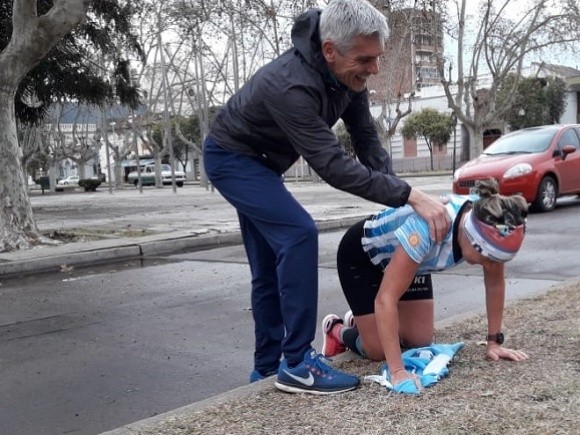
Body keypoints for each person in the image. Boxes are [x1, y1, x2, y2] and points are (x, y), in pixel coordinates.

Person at [202, 0, 449, 395]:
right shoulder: (288, 85)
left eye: (378, 58)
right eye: (366, 59)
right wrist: (412, 195)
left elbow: (366, 141)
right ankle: (297, 363)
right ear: (330, 50)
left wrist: (400, 204)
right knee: (299, 234)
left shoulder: (348, 76)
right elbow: (332, 165)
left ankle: (266, 369)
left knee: (267, 267)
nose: (375, 69)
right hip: (232, 159)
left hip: (264, 166)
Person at [322, 178, 530, 395]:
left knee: (419, 340)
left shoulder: (489, 215)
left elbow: (495, 283)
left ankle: (363, 321)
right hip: (362, 257)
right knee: (378, 350)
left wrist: (494, 342)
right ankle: (337, 330)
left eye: (498, 260)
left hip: (411, 261)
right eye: (487, 258)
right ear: (470, 236)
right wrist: (397, 371)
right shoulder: (426, 230)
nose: (491, 266)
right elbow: (386, 299)